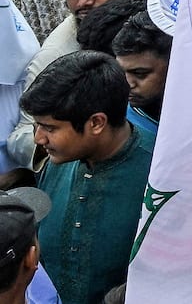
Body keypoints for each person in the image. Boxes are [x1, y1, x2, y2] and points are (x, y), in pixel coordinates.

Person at [20, 51, 155, 304]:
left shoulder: (158, 175)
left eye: (50, 128)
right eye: (36, 126)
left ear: (96, 123)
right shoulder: (60, 159)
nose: (38, 138)